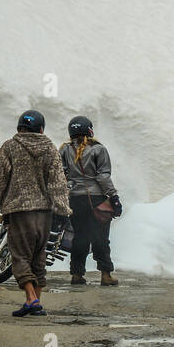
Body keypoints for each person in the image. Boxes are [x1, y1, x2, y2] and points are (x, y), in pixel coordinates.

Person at [0, 109, 71, 316]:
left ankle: (32, 299)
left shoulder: (10, 147)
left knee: (20, 257)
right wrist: (62, 210)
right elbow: (58, 182)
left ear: (19, 127)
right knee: (38, 257)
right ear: (41, 128)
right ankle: (34, 302)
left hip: (19, 210)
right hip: (44, 213)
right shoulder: (50, 148)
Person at [59, 115, 122, 286]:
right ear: (89, 130)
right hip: (96, 200)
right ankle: (106, 275)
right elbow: (103, 177)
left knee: (80, 237)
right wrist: (114, 197)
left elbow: (61, 175)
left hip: (74, 200)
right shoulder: (98, 149)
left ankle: (77, 275)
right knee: (100, 238)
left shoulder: (64, 149)